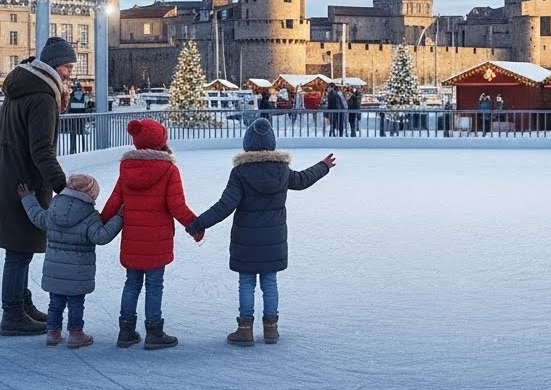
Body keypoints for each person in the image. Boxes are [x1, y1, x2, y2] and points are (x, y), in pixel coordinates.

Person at [186, 117, 335, 347]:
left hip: (246, 241)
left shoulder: (240, 172)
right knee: (270, 283)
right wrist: (323, 166)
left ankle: (245, 330)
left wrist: (199, 224)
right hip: (273, 240)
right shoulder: (282, 170)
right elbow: (303, 180)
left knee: (246, 283)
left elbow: (225, 205)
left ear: (247, 144)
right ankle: (271, 329)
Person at [0, 36, 76, 337]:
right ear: (53, 66)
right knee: (19, 252)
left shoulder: (23, 88)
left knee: (19, 249)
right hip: (25, 184)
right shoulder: (42, 97)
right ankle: (12, 314)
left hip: (9, 176)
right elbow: (42, 150)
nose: (70, 73)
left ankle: (22, 303)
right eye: (67, 67)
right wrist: (64, 188)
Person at [99, 118, 203, 350]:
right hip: (157, 241)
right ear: (161, 141)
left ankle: (126, 331)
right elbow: (177, 205)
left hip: (133, 241)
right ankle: (154, 331)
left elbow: (114, 200)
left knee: (132, 283)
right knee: (154, 285)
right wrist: (194, 226)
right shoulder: (169, 169)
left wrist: (100, 222)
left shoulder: (127, 169)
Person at [19, 174, 123, 348]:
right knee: (76, 303)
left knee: (55, 302)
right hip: (78, 272)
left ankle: (53, 333)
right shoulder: (90, 215)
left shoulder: (54, 208)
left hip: (55, 270)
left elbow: (37, 216)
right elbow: (101, 236)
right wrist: (119, 219)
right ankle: (76, 334)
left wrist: (27, 198)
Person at [66, 81, 87, 153]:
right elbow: (85, 106)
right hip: (81, 116)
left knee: (72, 133)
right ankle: (83, 148)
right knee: (82, 133)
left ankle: (72, 149)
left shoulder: (71, 95)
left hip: (72, 117)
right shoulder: (83, 95)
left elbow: (69, 106)